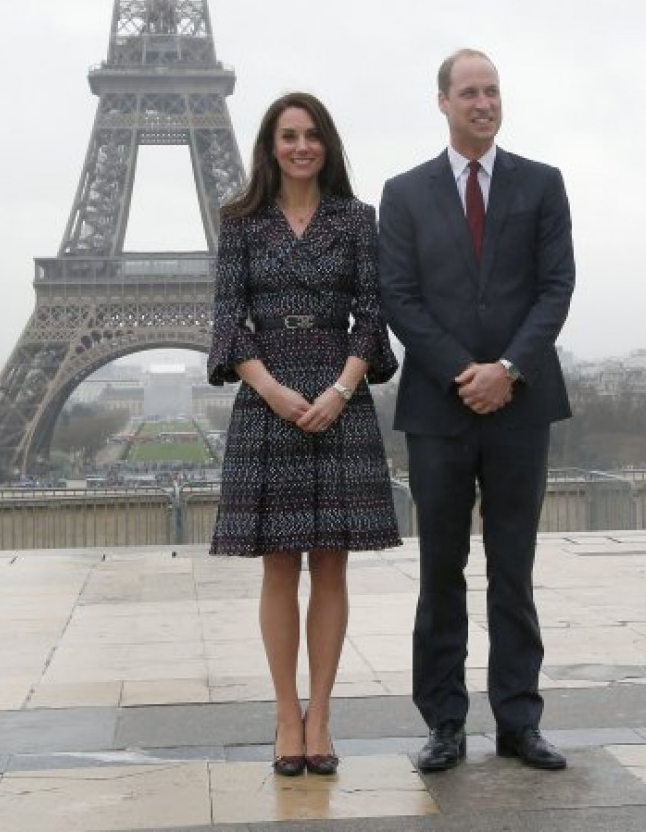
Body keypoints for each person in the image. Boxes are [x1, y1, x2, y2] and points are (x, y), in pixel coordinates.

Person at [378, 49, 575, 772]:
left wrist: (509, 370)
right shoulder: (404, 194)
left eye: (493, 91)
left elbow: (556, 287)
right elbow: (399, 296)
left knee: (514, 570)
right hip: (441, 406)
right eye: (469, 92)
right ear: (443, 102)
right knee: (441, 570)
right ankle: (445, 723)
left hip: (520, 405)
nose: (484, 102)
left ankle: (519, 721)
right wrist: (467, 371)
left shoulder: (543, 184)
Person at [208, 91, 401, 777]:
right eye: (288, 135)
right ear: (270, 145)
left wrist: (342, 389)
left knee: (331, 564)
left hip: (337, 392)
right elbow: (228, 320)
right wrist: (272, 389)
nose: (301, 146)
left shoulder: (356, 219)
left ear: (328, 144)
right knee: (279, 566)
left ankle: (321, 713)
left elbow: (373, 317)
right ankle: (285, 714)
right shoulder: (241, 223)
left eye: (313, 134)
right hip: (270, 395)